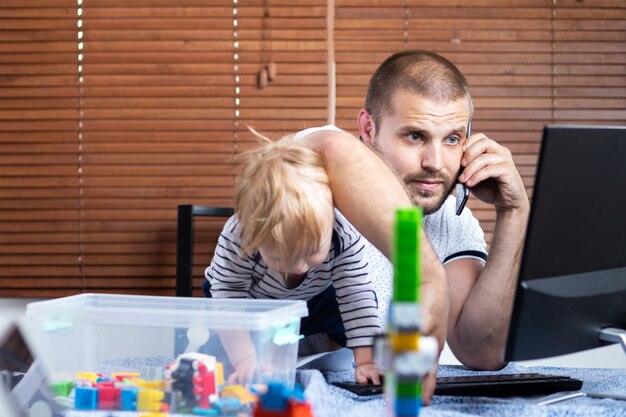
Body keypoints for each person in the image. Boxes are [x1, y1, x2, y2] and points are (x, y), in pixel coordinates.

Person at [297, 50, 530, 404]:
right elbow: (331, 145)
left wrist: (514, 211)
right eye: (415, 136)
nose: (435, 163)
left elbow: (481, 352)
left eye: (452, 139)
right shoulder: (315, 170)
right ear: (367, 128)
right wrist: (429, 274)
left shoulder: (449, 215)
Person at [204, 133, 383, 385]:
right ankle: (260, 348)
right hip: (248, 301)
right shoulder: (239, 234)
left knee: (352, 318)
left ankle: (303, 343)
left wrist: (367, 361)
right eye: (279, 256)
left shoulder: (343, 235)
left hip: (313, 299)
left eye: (311, 253)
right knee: (216, 353)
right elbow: (228, 301)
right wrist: (245, 359)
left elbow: (357, 297)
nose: (298, 267)